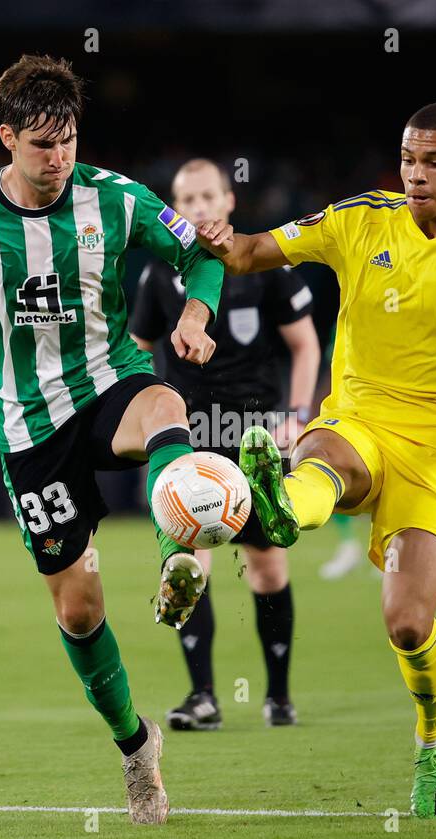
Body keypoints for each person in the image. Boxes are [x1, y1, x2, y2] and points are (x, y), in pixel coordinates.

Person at [195, 102, 436, 818]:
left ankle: (435, 738)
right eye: (407, 159)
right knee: (324, 459)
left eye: (433, 161)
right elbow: (246, 253)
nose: (416, 174)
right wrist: (210, 236)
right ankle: (277, 507)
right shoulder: (360, 219)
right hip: (359, 415)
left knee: (406, 623)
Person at [0, 54, 226, 825]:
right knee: (79, 612)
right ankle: (136, 747)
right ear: (7, 137)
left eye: (70, 141)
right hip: (25, 426)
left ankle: (180, 542)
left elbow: (201, 252)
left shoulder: (118, 199)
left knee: (159, 404)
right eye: (43, 144)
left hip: (107, 381)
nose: (60, 159)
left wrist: (194, 313)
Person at [131, 158, 320, 730]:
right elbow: (138, 346)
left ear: (229, 200)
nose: (199, 208)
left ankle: (279, 696)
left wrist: (296, 417)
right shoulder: (161, 274)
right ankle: (204, 697)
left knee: (266, 568)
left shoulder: (265, 265)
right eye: (186, 200)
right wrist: (146, 412)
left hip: (255, 435)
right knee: (190, 561)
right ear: (176, 209)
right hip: (186, 435)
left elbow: (307, 346)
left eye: (208, 196)